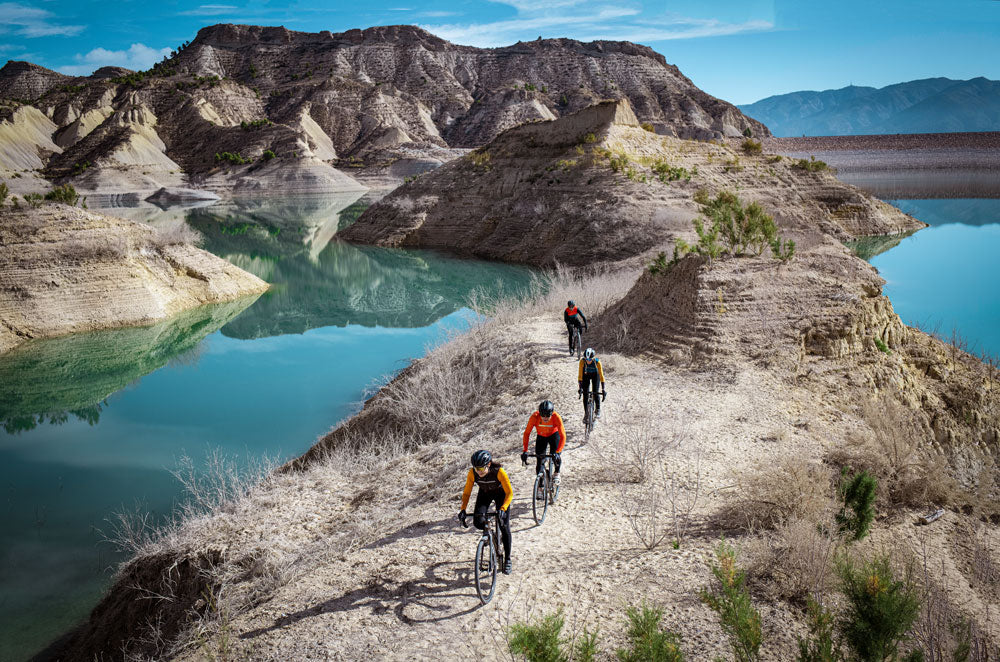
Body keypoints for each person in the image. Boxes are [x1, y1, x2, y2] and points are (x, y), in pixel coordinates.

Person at [458, 449, 513, 574]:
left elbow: (509, 493)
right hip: (484, 493)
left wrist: (503, 509)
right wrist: (463, 509)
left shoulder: (499, 472)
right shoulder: (472, 473)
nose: (479, 472)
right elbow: (467, 493)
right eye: (477, 469)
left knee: (504, 526)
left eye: (481, 469)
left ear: (488, 464)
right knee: (478, 521)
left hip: (501, 495)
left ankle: (508, 559)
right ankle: (488, 532)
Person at [520, 399, 566, 485]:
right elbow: (526, 433)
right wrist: (525, 450)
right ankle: (540, 486)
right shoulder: (534, 417)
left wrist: (558, 452)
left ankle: (557, 472)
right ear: (539, 413)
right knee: (539, 461)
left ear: (552, 414)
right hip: (541, 437)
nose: (545, 418)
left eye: (547, 416)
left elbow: (563, 436)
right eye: (543, 415)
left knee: (555, 456)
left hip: (554, 435)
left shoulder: (556, 417)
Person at [578, 348, 606, 420]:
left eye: (590, 359)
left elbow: (602, 376)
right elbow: (580, 375)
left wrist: (603, 389)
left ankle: (598, 409)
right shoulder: (582, 362)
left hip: (595, 375)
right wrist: (580, 388)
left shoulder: (597, 362)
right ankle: (586, 413)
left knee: (595, 392)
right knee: (585, 395)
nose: (588, 361)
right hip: (586, 375)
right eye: (586, 359)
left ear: (593, 358)